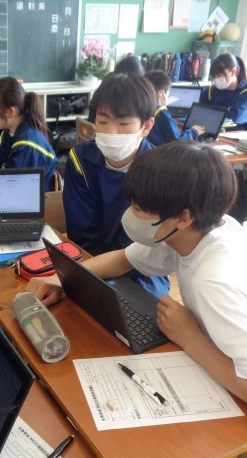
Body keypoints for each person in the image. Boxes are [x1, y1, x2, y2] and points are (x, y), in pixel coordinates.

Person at [29, 141, 247, 421]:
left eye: (138, 208)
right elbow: (123, 259)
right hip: (233, 354)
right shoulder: (199, 228)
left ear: (182, 217)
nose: (130, 215)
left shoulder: (212, 280)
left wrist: (189, 337)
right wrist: (60, 278)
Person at [63, 72, 169, 298]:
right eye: (102, 122)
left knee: (144, 311)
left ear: (146, 126)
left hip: (141, 270)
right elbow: (81, 233)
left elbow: (148, 245)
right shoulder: (80, 160)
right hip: (89, 262)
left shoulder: (159, 171)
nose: (111, 132)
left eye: (123, 123)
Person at [0, 77, 57, 190]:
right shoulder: (8, 134)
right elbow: (0, 173)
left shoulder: (26, 146)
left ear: (11, 112)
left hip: (35, 200)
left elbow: (14, 190)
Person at [144, 69, 205, 146]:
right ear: (160, 94)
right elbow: (177, 142)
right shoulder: (160, 112)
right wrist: (194, 132)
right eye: (167, 94)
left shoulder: (142, 106)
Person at [199, 53, 247, 130]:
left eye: (220, 75)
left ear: (233, 72)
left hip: (234, 133)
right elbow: (200, 113)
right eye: (214, 76)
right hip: (210, 130)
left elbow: (234, 118)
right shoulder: (211, 90)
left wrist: (211, 116)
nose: (216, 79)